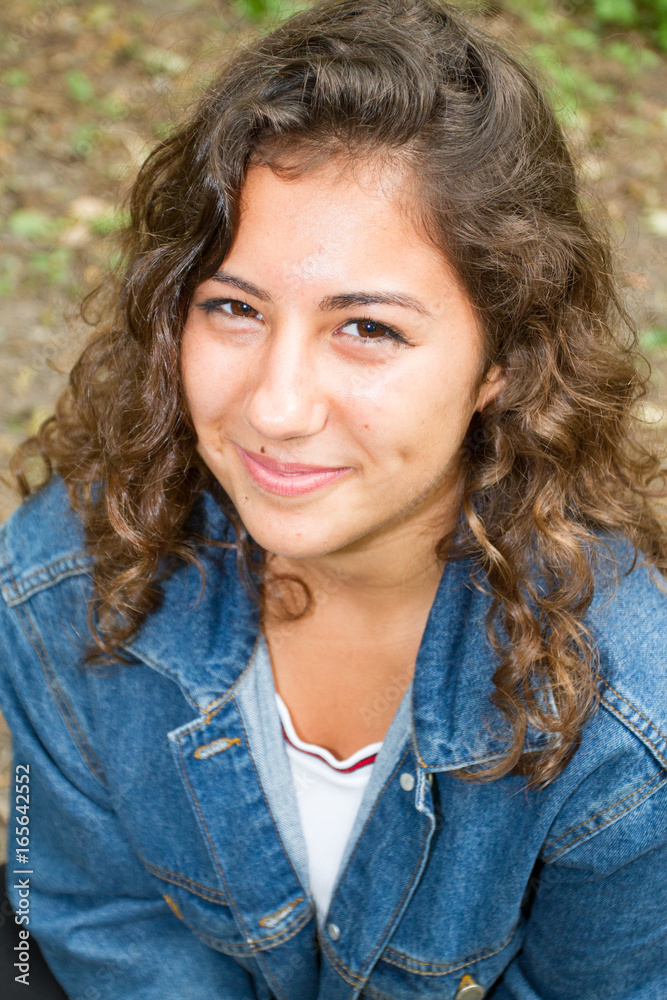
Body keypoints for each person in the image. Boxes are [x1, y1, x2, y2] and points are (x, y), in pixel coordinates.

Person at [0, 0, 666, 997]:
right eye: (233, 307)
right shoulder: (64, 574)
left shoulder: (623, 717)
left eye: (366, 328)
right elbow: (91, 913)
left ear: (501, 361)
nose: (274, 405)